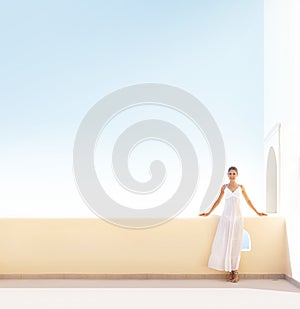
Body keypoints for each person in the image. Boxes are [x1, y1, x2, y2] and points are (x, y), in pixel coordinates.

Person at [199, 166, 267, 283]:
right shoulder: (224, 188)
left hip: (237, 218)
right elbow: (218, 201)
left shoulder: (241, 188)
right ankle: (229, 270)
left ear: (237, 175)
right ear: (227, 175)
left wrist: (257, 212)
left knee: (235, 244)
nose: (232, 175)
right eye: (230, 173)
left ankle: (235, 271)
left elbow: (248, 201)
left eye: (234, 173)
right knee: (225, 242)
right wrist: (208, 212)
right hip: (226, 217)